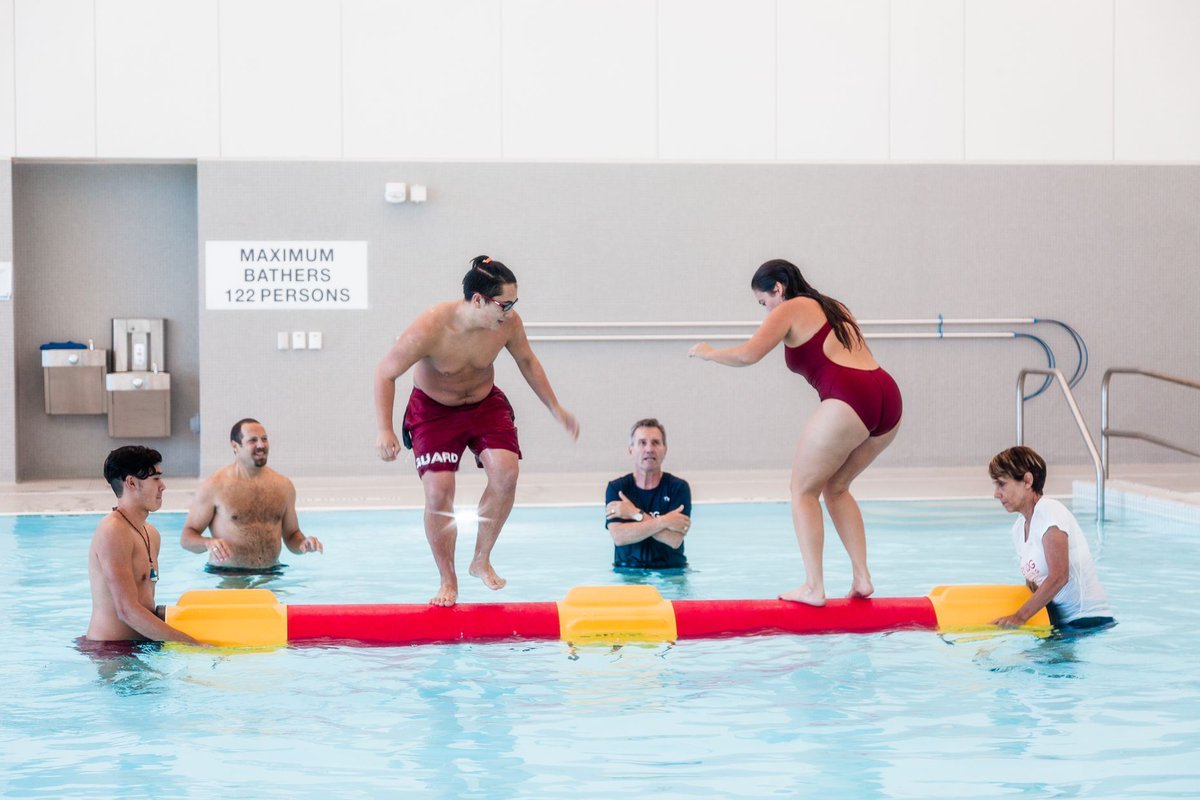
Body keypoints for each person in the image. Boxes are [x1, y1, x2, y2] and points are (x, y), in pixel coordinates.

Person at [688, 258, 902, 606]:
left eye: (764, 302)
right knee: (837, 487)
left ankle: (813, 587)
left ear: (778, 289)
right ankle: (861, 577)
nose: (766, 311)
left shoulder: (791, 307)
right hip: (887, 396)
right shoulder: (834, 306)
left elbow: (747, 355)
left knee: (802, 490)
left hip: (849, 397)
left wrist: (710, 353)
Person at [375, 254, 580, 606]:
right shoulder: (431, 327)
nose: (510, 311)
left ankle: (480, 559)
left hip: (485, 404)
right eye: (504, 303)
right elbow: (385, 373)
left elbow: (528, 361)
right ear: (478, 300)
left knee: (507, 474)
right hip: (434, 411)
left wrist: (555, 406)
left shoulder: (507, 324)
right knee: (439, 491)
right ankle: (447, 580)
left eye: (514, 302)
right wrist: (385, 430)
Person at [988, 446, 1115, 631]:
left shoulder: (1049, 511)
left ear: (1027, 480)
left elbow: (1059, 576)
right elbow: (1034, 585)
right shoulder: (1018, 529)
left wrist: (1019, 617)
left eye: (1002, 484)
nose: (996, 494)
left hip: (1088, 622)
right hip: (1059, 624)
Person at [86, 446, 199, 643]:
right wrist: (192, 643)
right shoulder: (112, 530)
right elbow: (126, 610)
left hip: (143, 646)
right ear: (131, 483)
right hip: (111, 652)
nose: (162, 486)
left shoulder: (151, 534)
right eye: (155, 479)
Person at [180, 418, 323, 572]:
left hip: (272, 572)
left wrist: (303, 543)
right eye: (253, 440)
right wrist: (208, 543)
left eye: (264, 439)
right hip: (230, 574)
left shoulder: (283, 486)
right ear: (235, 446)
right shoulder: (214, 486)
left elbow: (292, 535)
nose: (261, 445)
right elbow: (187, 537)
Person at [604, 419, 692, 569]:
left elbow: (674, 540)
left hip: (671, 572)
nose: (649, 449)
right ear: (631, 449)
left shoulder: (678, 488)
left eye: (656, 443)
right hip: (627, 572)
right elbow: (619, 537)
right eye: (642, 443)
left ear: (665, 449)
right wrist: (665, 521)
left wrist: (634, 514)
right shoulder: (617, 488)